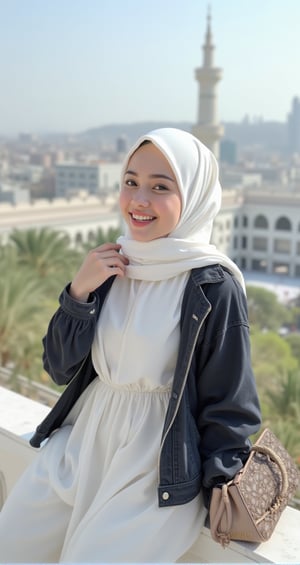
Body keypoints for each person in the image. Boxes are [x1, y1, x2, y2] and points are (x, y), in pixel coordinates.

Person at [0, 128, 261, 563]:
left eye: (160, 186)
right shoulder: (111, 264)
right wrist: (79, 293)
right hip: (81, 446)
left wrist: (221, 483)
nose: (139, 199)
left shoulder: (213, 285)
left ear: (194, 196)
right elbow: (59, 367)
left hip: (153, 465)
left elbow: (229, 399)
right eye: (130, 181)